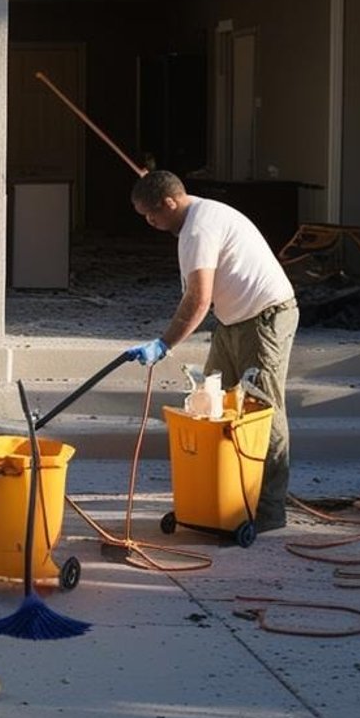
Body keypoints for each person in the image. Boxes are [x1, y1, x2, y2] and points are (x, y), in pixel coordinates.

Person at [127, 170, 297, 530]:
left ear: (169, 203)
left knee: (261, 409)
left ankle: (268, 510)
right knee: (210, 401)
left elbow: (199, 298)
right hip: (233, 321)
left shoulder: (198, 229)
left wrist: (164, 343)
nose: (150, 223)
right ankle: (222, 496)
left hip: (264, 318)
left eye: (151, 215)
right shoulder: (198, 220)